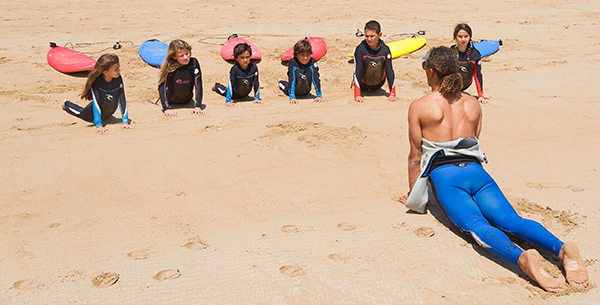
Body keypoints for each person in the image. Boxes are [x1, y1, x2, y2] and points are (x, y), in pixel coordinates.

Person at [398, 46, 588, 292]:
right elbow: (474, 140)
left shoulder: (419, 106)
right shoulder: (473, 103)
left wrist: (416, 198)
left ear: (431, 71)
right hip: (477, 174)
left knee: (475, 225)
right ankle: (562, 249)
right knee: (511, 219)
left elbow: (416, 157)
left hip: (447, 178)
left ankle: (521, 258)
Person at [62, 53, 132, 133]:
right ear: (105, 72)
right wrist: (99, 125)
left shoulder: (118, 78)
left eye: (119, 68)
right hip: (91, 113)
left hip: (108, 112)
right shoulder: (97, 81)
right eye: (116, 69)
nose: (119, 71)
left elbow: (122, 98)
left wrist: (125, 121)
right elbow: (96, 102)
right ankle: (66, 104)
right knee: (80, 112)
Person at [352, 20, 397, 103]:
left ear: (379, 35)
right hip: (363, 86)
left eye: (372, 36)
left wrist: (392, 93)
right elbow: (358, 71)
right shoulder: (360, 49)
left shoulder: (385, 49)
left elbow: (389, 71)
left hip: (378, 85)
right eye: (366, 36)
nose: (369, 39)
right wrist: (357, 95)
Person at [158, 39, 204, 117]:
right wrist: (166, 108)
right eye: (181, 56)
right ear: (174, 56)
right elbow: (162, 86)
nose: (186, 57)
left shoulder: (193, 63)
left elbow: (198, 84)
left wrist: (198, 106)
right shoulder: (169, 66)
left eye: (187, 53)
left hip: (187, 100)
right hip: (171, 101)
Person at [212, 42, 262, 107]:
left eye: (247, 57)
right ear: (236, 58)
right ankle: (217, 86)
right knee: (224, 91)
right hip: (235, 94)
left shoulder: (253, 67)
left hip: (246, 93)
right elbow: (231, 84)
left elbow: (256, 83)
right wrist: (228, 101)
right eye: (242, 57)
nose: (245, 59)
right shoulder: (235, 69)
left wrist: (257, 98)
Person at [278, 39, 323, 104]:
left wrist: (319, 96)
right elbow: (292, 80)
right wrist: (292, 97)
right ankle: (280, 81)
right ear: (296, 55)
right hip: (292, 90)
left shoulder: (312, 62)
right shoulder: (292, 62)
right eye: (302, 55)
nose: (305, 58)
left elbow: (316, 79)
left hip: (306, 91)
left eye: (307, 54)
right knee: (284, 85)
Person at [451, 23, 488, 104]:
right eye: (460, 36)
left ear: (470, 37)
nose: (463, 39)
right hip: (450, 88)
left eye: (466, 36)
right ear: (455, 37)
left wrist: (480, 95)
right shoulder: (451, 53)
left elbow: (477, 75)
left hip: (465, 85)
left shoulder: (475, 54)